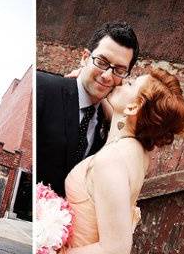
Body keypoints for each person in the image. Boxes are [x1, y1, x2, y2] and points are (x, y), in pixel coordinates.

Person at [60, 68, 184, 254]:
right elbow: (120, 121)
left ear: (133, 107)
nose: (123, 82)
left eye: (131, 84)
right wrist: (84, 83)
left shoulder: (111, 161)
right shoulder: (138, 151)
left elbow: (115, 249)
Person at [37, 21, 140, 196]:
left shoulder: (110, 124)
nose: (107, 76)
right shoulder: (43, 88)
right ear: (85, 57)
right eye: (101, 62)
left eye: (119, 70)